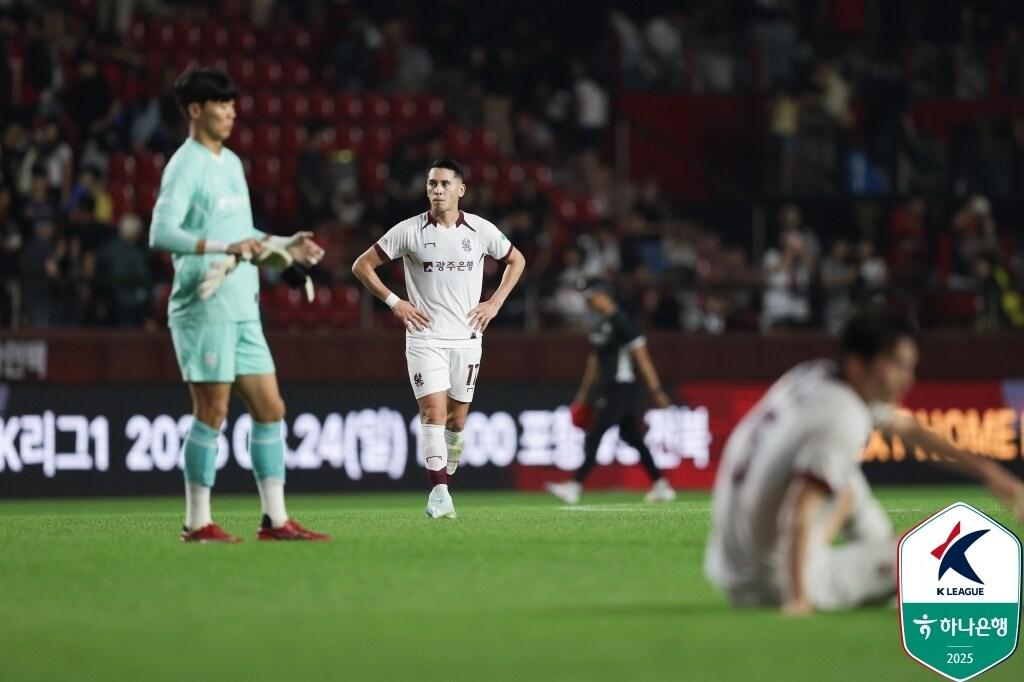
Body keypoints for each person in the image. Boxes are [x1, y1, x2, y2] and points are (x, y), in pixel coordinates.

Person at [705, 311, 1024, 614]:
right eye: (897, 366)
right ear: (858, 364)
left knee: (846, 481)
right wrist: (798, 600)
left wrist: (989, 472)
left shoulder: (811, 375)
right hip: (775, 584)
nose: (908, 380)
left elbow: (909, 430)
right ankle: (880, 571)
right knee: (955, 545)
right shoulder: (844, 417)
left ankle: (879, 563)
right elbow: (799, 508)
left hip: (731, 567)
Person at [149, 67, 328, 543]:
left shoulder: (230, 162)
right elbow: (161, 233)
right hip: (204, 304)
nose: (231, 112)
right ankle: (196, 522)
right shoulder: (185, 165)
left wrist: (287, 245)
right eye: (220, 104)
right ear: (195, 110)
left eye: (232, 104)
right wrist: (219, 249)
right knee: (212, 412)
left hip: (242, 305)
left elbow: (243, 239)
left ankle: (275, 520)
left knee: (271, 409)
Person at [352, 158, 526, 519]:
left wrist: (495, 303)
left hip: (467, 338)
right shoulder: (409, 231)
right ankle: (439, 493)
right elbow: (361, 265)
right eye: (432, 184)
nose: (437, 190)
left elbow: (517, 260)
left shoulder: (479, 230)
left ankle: (447, 466)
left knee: (456, 423)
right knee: (432, 411)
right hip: (424, 337)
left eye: (445, 184)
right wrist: (394, 302)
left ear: (461, 190)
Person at [545, 277, 677, 505]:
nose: (589, 303)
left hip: (622, 388)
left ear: (603, 295)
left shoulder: (623, 321)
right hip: (607, 388)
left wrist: (656, 391)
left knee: (595, 434)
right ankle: (662, 485)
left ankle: (574, 486)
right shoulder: (600, 324)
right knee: (632, 437)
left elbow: (642, 358)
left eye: (591, 297)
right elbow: (594, 363)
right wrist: (584, 393)